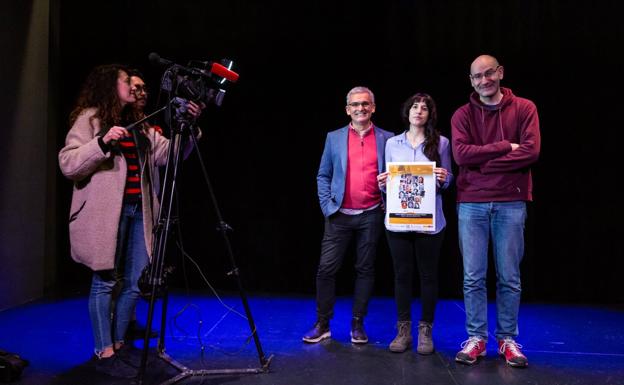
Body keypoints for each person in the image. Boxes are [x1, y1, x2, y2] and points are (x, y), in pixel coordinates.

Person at [58, 64, 202, 378]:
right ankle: (104, 349)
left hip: (139, 211)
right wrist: (101, 142)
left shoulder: (140, 124)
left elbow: (173, 155)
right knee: (105, 281)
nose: (134, 88)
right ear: (111, 86)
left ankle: (120, 343)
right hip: (105, 214)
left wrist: (188, 126)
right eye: (127, 82)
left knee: (136, 281)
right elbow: (68, 163)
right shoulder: (91, 119)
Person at [451, 55, 540, 367]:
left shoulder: (525, 108)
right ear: (471, 80)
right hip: (472, 203)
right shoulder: (462, 114)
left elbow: (530, 151)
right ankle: (476, 338)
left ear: (500, 73)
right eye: (477, 76)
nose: (483, 80)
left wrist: (482, 164)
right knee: (473, 276)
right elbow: (461, 155)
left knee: (509, 276)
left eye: (489, 73)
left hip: (511, 201)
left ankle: (507, 340)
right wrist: (504, 147)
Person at [303, 86, 394, 344]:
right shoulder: (334, 137)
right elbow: (323, 175)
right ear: (347, 109)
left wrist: (390, 200)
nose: (360, 108)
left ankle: (358, 324)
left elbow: (396, 175)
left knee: (365, 269)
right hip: (339, 214)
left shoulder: (388, 138)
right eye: (355, 104)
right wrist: (327, 206)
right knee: (326, 269)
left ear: (373, 107)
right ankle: (323, 323)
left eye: (365, 104)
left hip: (372, 214)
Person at [376, 93, 453, 354]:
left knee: (428, 275)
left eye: (424, 108)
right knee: (402, 275)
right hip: (398, 221)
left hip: (430, 222)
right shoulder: (392, 144)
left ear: (430, 114)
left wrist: (444, 177)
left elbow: (450, 179)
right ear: (407, 112)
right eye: (414, 107)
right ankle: (403, 330)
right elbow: (386, 182)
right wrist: (383, 183)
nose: (419, 111)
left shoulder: (441, 143)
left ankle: (426, 330)